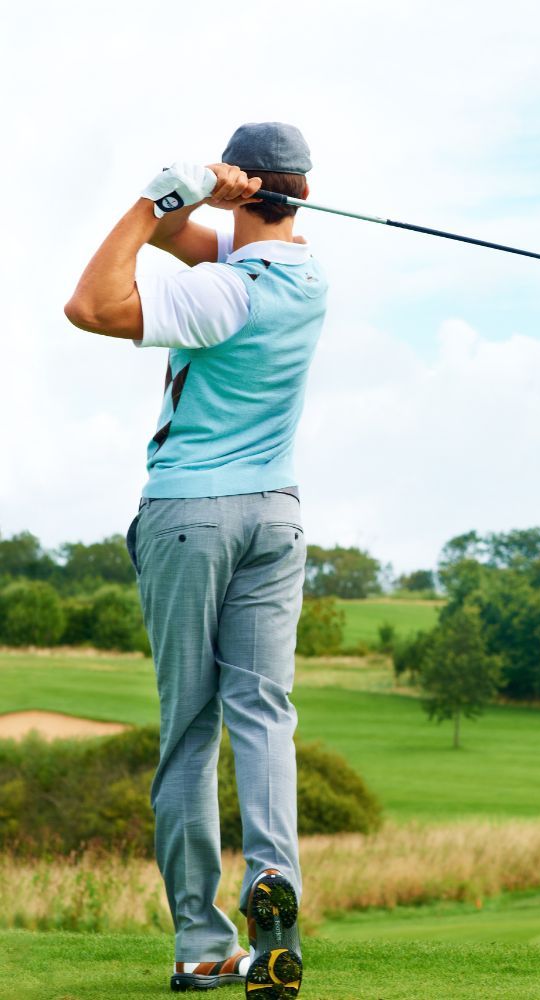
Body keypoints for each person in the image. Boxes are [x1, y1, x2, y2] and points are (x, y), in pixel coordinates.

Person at [64, 122, 327, 999]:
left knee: (189, 733)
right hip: (276, 518)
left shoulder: (225, 296)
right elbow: (199, 244)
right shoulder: (308, 278)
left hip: (189, 515)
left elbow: (92, 305)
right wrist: (200, 201)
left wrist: (152, 198)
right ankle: (272, 877)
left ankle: (202, 944)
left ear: (250, 189)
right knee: (264, 713)